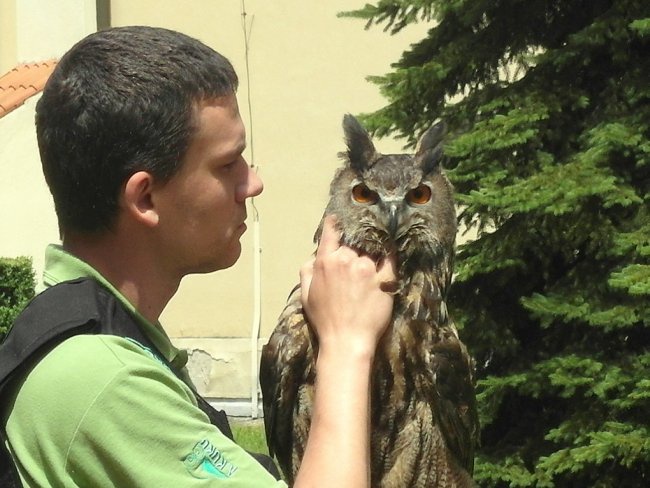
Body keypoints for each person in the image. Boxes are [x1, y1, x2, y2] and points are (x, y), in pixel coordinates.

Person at [0, 26, 395, 487]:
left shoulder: (97, 332)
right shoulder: (106, 379)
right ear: (144, 198)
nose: (253, 183)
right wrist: (347, 346)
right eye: (228, 165)